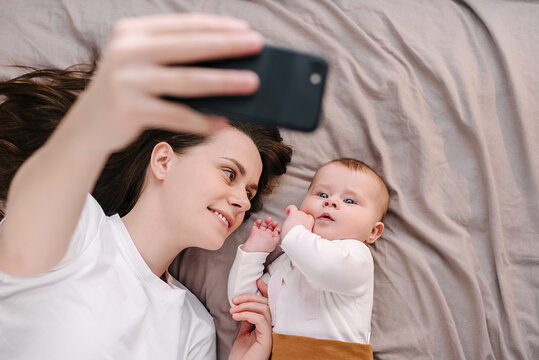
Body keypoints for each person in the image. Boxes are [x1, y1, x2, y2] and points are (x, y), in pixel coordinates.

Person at [0, 13, 293, 360]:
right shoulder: (75, 226)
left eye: (249, 193)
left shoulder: (195, 328)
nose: (243, 203)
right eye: (230, 174)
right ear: (163, 161)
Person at [228, 158, 390, 360]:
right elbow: (244, 302)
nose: (331, 202)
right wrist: (254, 253)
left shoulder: (356, 255)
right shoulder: (286, 262)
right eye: (322, 194)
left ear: (373, 232)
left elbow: (324, 269)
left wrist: (294, 233)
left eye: (350, 201)